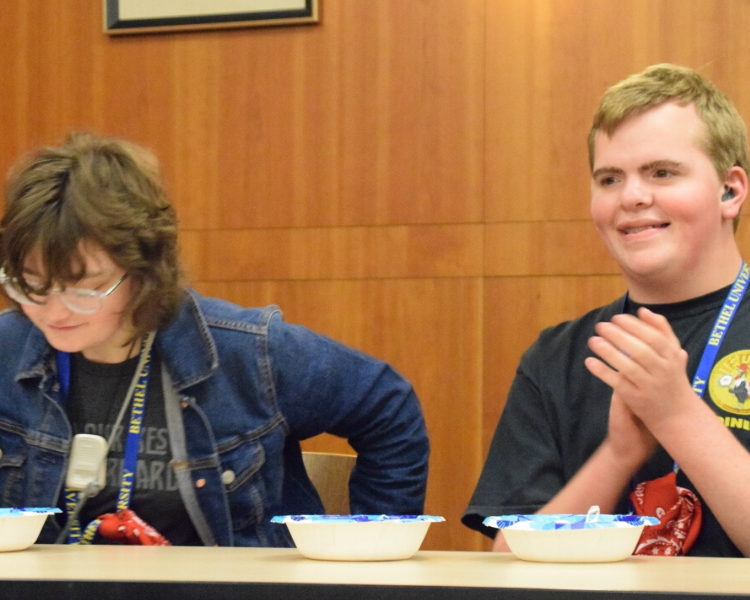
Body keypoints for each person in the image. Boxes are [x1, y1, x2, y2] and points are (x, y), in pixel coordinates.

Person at [0, 131, 429, 546]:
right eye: (32, 285)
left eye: (86, 289)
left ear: (145, 269)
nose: (54, 311)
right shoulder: (8, 349)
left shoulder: (244, 350)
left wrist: (373, 553)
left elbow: (388, 407)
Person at [463, 64, 750, 557]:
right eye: (610, 178)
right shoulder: (558, 356)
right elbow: (508, 563)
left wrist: (678, 414)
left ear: (730, 191)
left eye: (662, 172)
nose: (633, 197)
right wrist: (618, 455)